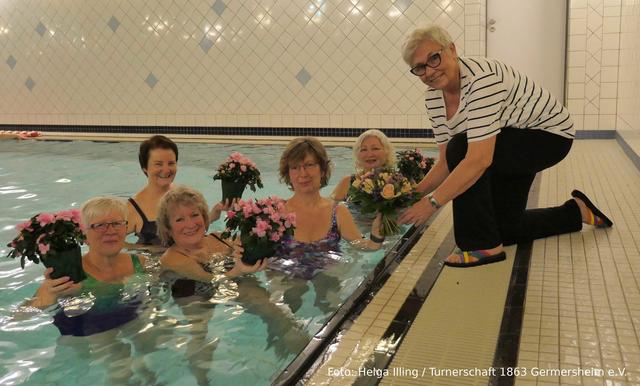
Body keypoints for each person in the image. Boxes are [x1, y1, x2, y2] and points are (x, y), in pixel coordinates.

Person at [397, 24, 613, 268]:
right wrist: (411, 197)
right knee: (505, 229)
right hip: (512, 138)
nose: (430, 71)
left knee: (463, 148)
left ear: (452, 50)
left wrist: (432, 203)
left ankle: (481, 246)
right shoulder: (433, 97)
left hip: (549, 137)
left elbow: (478, 159)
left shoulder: (481, 80)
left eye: (434, 58)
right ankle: (575, 212)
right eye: (420, 67)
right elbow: (446, 161)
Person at [26, 197, 148, 335]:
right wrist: (47, 294)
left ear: (126, 228)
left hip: (129, 320)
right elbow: (20, 317)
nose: (111, 231)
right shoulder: (71, 272)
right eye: (100, 225)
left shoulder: (140, 263)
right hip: (85, 334)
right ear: (83, 235)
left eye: (117, 223)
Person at [126, 135, 179, 247]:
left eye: (171, 163)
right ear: (145, 167)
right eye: (158, 164)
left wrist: (214, 214)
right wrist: (142, 249)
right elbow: (111, 242)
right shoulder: (133, 208)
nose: (166, 170)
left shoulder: (183, 195)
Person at [331, 129, 396, 201]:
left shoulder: (399, 182)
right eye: (364, 149)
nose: (369, 154)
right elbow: (329, 208)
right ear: (358, 155)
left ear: (387, 152)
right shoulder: (347, 182)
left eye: (375, 148)